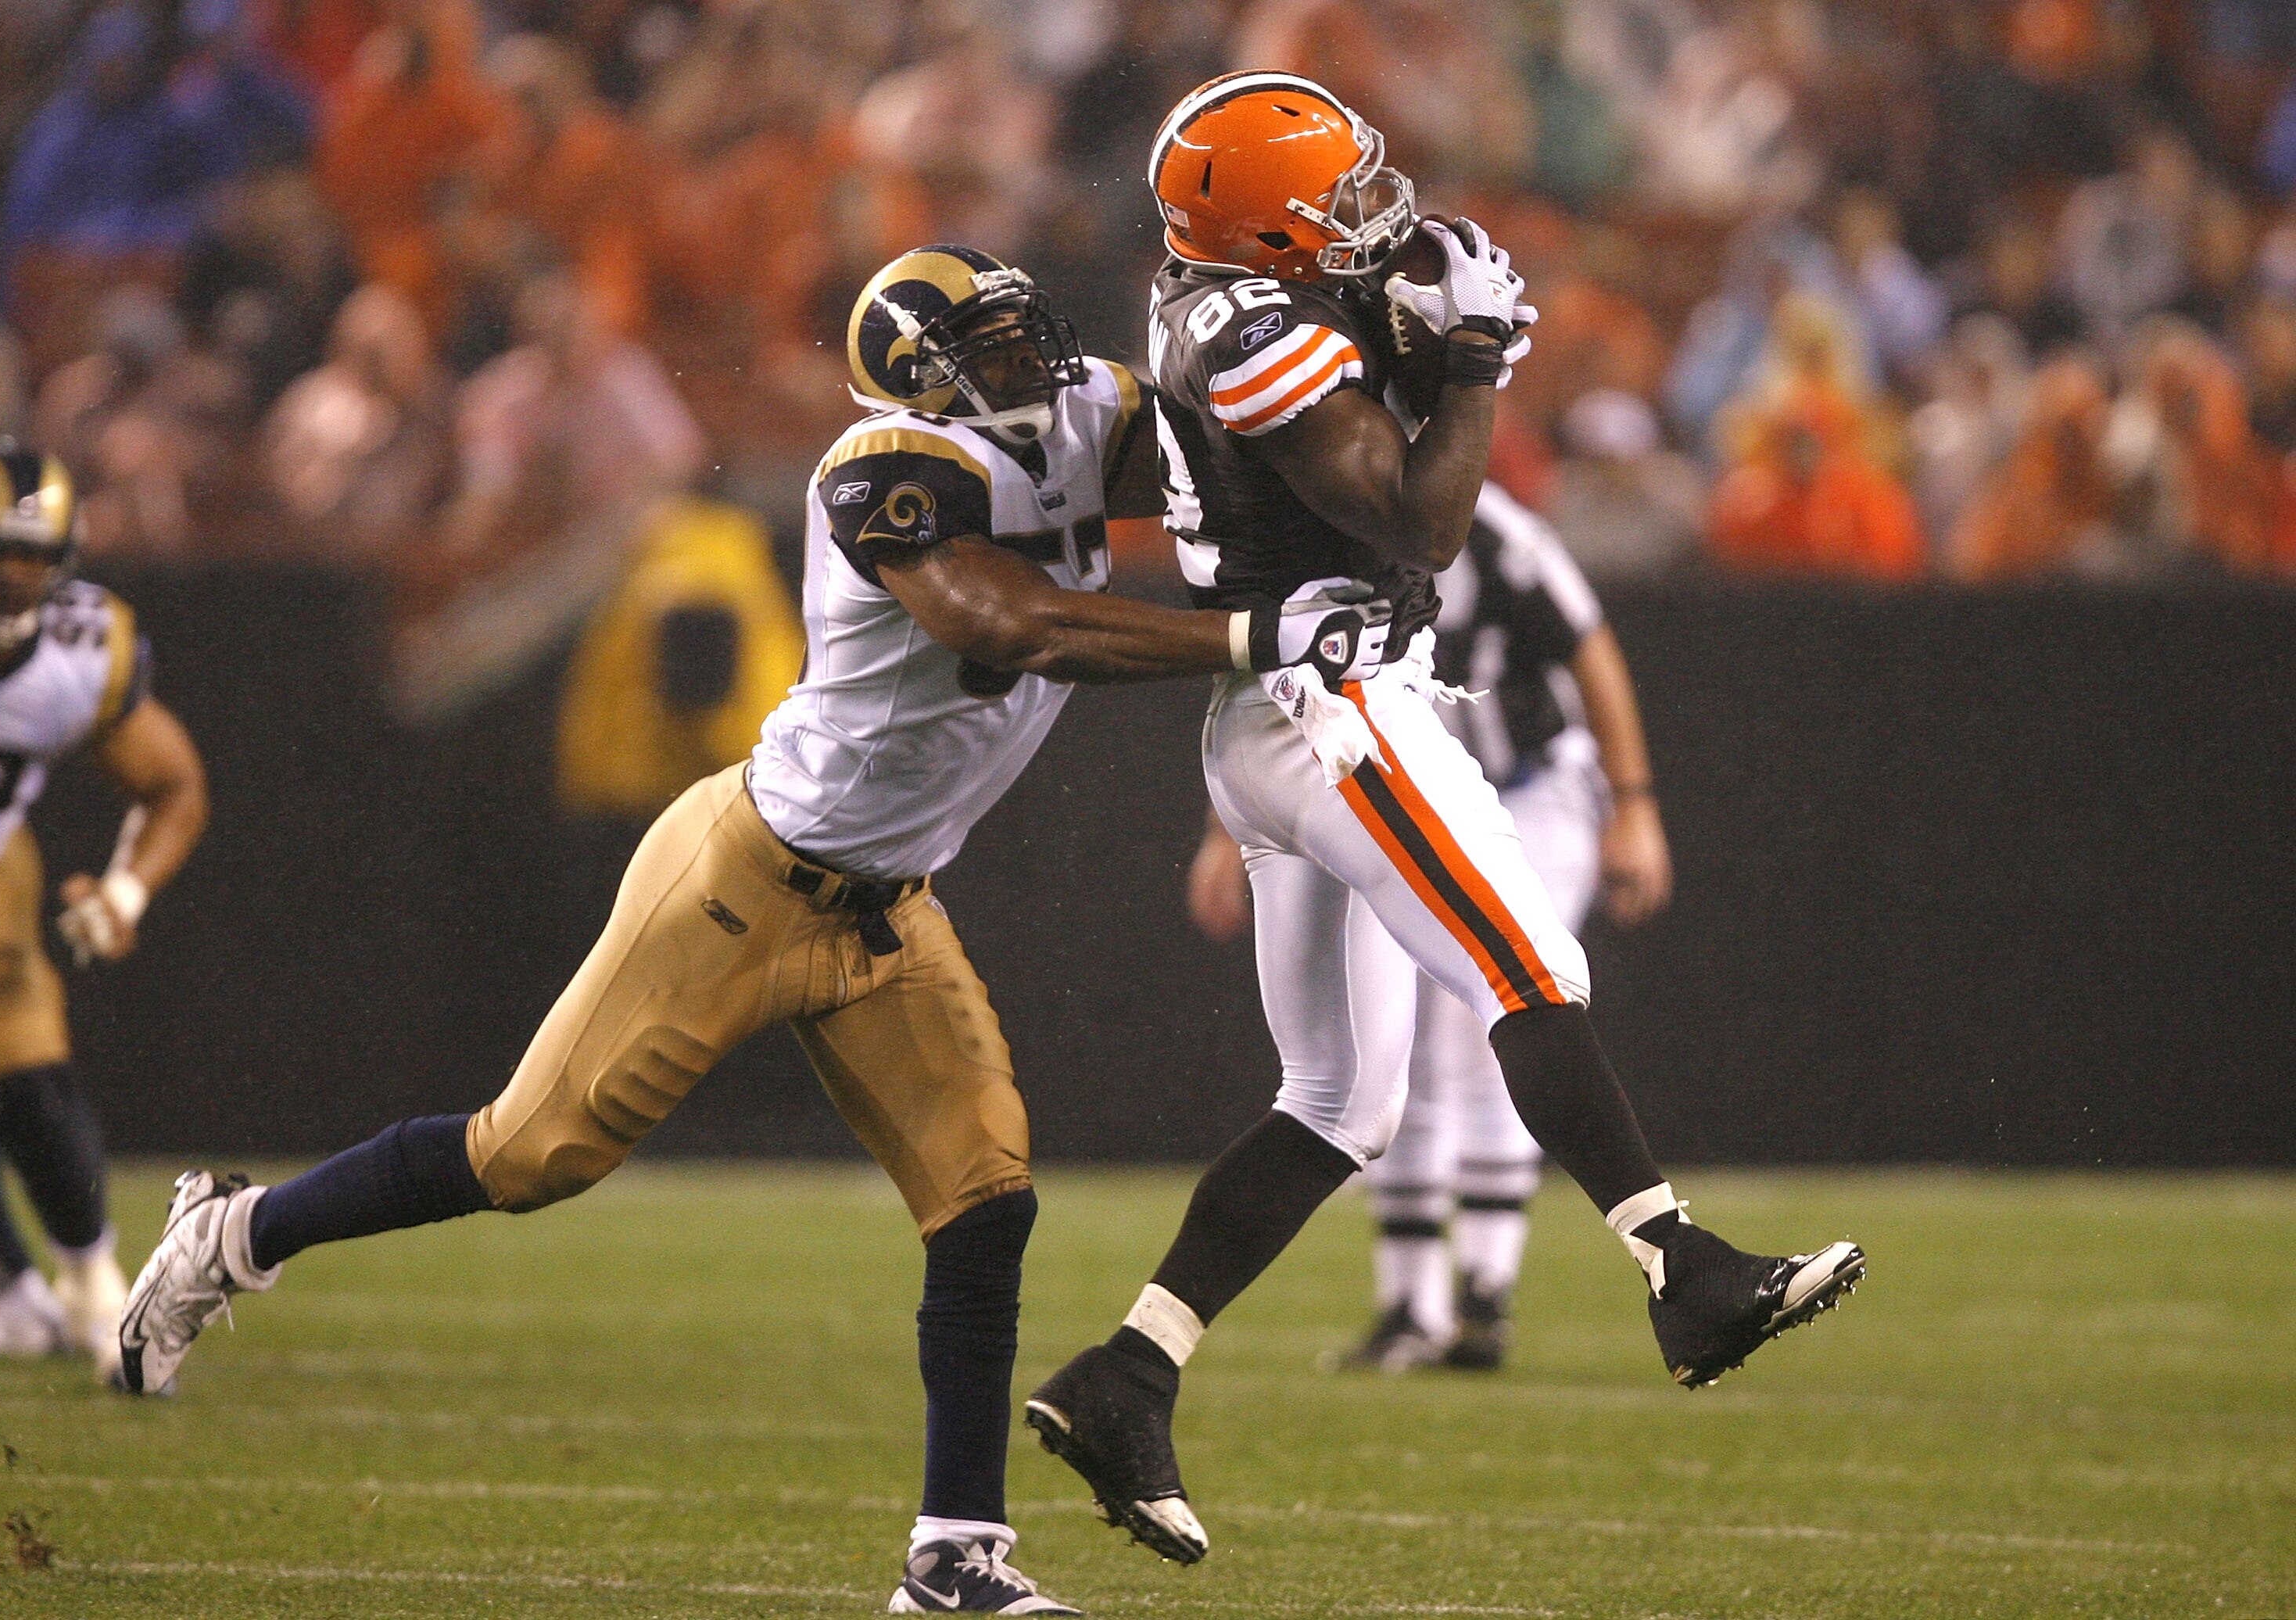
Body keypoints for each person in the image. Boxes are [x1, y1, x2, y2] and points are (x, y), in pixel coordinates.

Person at [113, 245, 1414, 1615]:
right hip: (746, 880)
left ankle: (953, 1555)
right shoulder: (883, 473)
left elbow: (1229, 460)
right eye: (989, 352)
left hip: (891, 903)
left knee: (985, 1199)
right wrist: (1254, 640)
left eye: (1025, 336)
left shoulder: (1085, 402)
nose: (1032, 366)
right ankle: (236, 1232)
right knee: (529, 1152)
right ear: (919, 385)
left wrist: (1370, 370)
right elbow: (1011, 620)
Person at [1024, 73, 1864, 1566]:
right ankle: (1681, 1264)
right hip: (1333, 704)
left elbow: (1365, 399)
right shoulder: (1248, 331)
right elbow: (1416, 518)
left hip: (1294, 710)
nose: (1366, 211)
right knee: (1527, 962)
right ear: (1260, 231)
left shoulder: (1233, 295)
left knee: (1340, 1106)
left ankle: (1127, 1371)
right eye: (1332, 200)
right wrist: (1464, 363)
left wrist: (1416, 327)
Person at [1189, 481, 1674, 1374]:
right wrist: (1232, 831)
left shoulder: (1492, 531)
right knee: (1393, 1047)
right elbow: (1278, 684)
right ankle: (1414, 1302)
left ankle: (1485, 1288)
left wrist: (1633, 802)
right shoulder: (1319, 516)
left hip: (1525, 789)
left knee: (1485, 1012)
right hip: (1379, 793)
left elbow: (1589, 644)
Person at [0, 440, 209, 1377]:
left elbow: (174, 783)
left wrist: (126, 888)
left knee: (23, 1077)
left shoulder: (78, 654)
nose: (12, 587)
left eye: (32, 564)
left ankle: (88, 1283)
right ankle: (0, 1273)